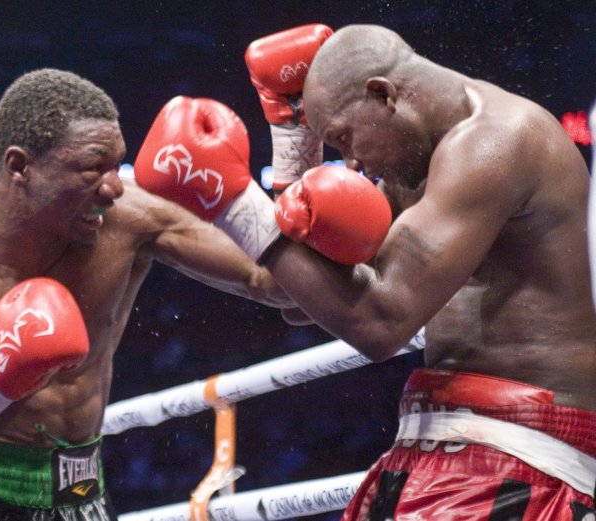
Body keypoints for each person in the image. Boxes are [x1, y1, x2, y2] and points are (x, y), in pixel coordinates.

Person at [133, 24, 596, 520]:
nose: (352, 161)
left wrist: (234, 204)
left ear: (383, 95)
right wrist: (293, 140)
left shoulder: (495, 141)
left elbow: (381, 323)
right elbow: (298, 297)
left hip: (523, 448)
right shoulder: (414, 162)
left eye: (343, 137)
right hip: (438, 442)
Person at [0, 68, 298, 521]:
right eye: (93, 168)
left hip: (79, 491)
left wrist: (292, 138)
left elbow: (278, 284)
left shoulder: (130, 219)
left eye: (116, 165)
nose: (115, 186)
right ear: (19, 167)